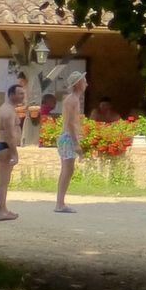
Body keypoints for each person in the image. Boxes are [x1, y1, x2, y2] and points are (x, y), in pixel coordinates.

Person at [53, 72, 87, 214]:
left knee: (67, 171)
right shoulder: (72, 100)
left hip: (66, 137)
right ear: (78, 83)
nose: (86, 83)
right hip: (68, 138)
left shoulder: (71, 99)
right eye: (84, 81)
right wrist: (76, 143)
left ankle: (60, 203)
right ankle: (60, 204)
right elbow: (71, 124)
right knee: (67, 171)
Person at [0, 82, 23, 221]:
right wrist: (15, 153)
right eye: (20, 93)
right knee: (3, 182)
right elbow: (10, 134)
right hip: (5, 146)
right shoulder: (8, 111)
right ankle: (0, 211)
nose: (23, 96)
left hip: (2, 146)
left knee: (4, 181)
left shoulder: (6, 109)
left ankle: (3, 209)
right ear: (12, 95)